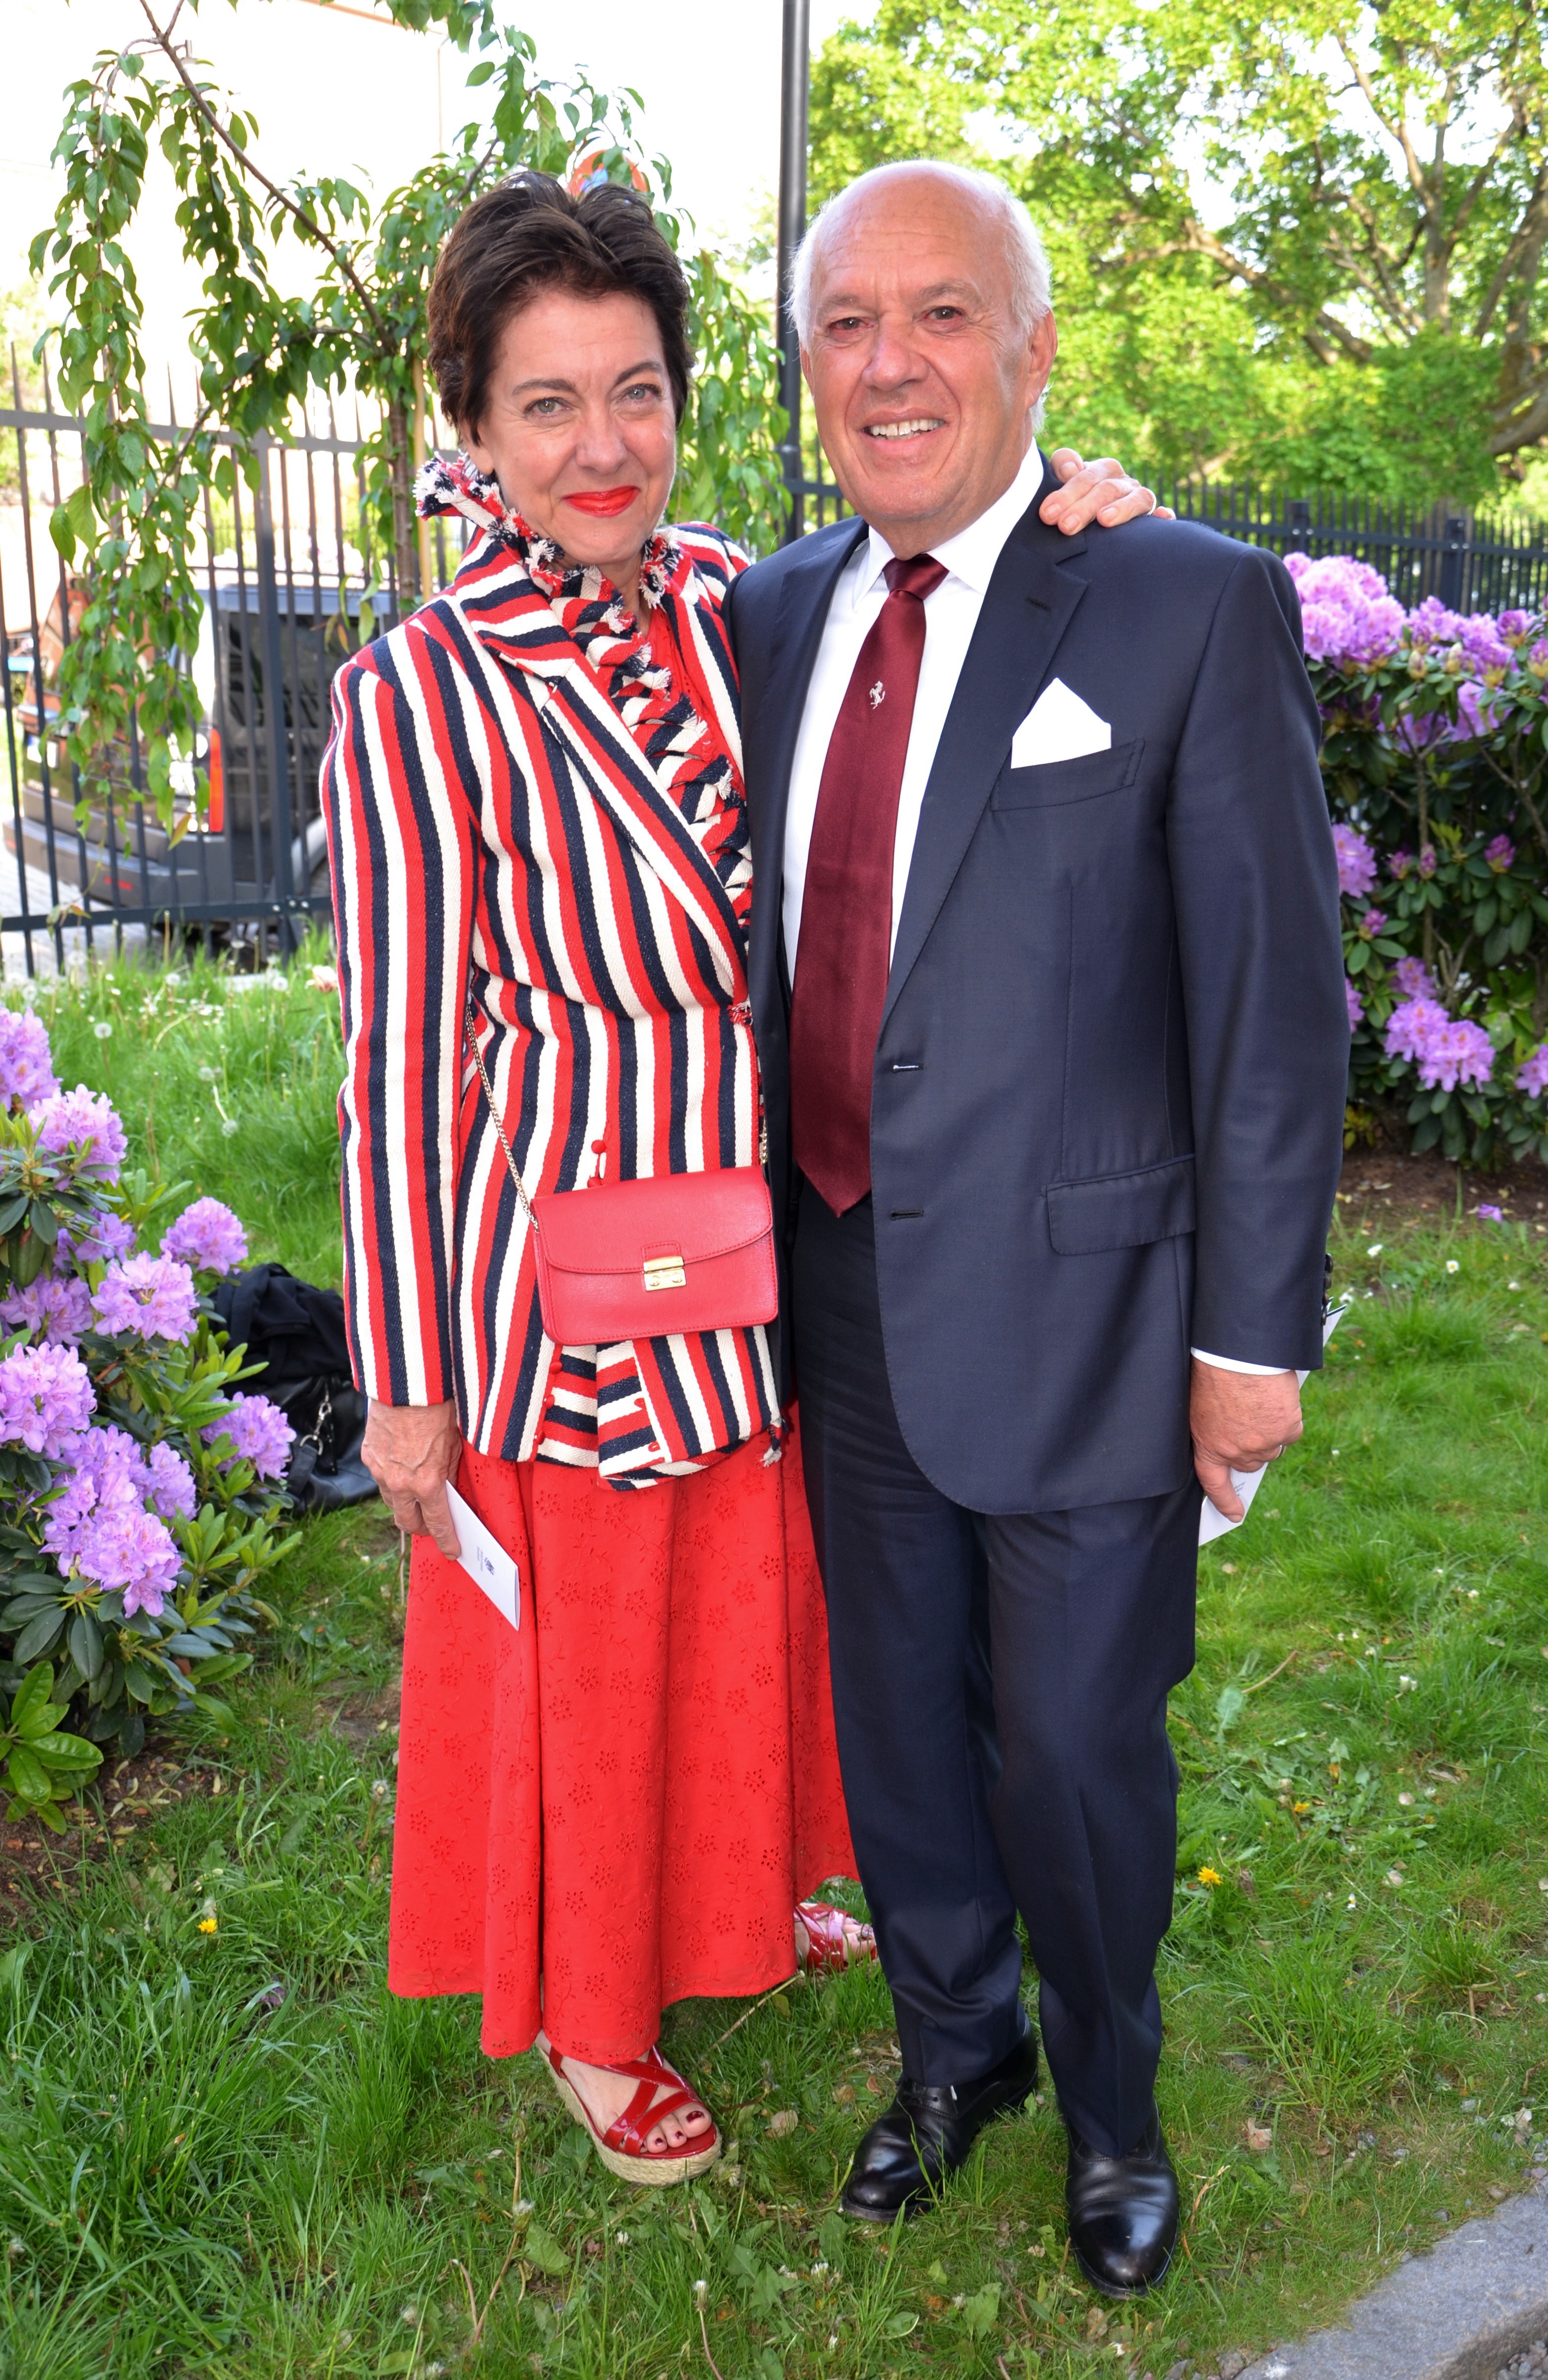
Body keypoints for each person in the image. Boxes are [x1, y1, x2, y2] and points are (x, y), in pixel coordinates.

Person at [319, 169, 1162, 2185]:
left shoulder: (735, 604)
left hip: (773, 1249)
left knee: (752, 1617)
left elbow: (936, 603)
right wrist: (407, 1385)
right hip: (569, 1283)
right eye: (546, 404)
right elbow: (400, 1069)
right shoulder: (416, 694)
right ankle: (599, 2020)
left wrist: (1072, 505)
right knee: (606, 1659)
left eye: (636, 390)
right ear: (473, 428)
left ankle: (746, 1896)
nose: (601, 444)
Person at [727, 160, 1349, 2290]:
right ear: (809, 368)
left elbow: (1271, 1008)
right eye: (845, 324)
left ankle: (1109, 2107)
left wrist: (1253, 1339)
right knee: (901, 1724)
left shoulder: (1179, 599)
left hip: (1094, 1313)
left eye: (942, 315)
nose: (890, 364)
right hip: (836, 1285)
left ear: (1037, 350)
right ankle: (955, 2047)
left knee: (1077, 1750)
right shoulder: (768, 617)